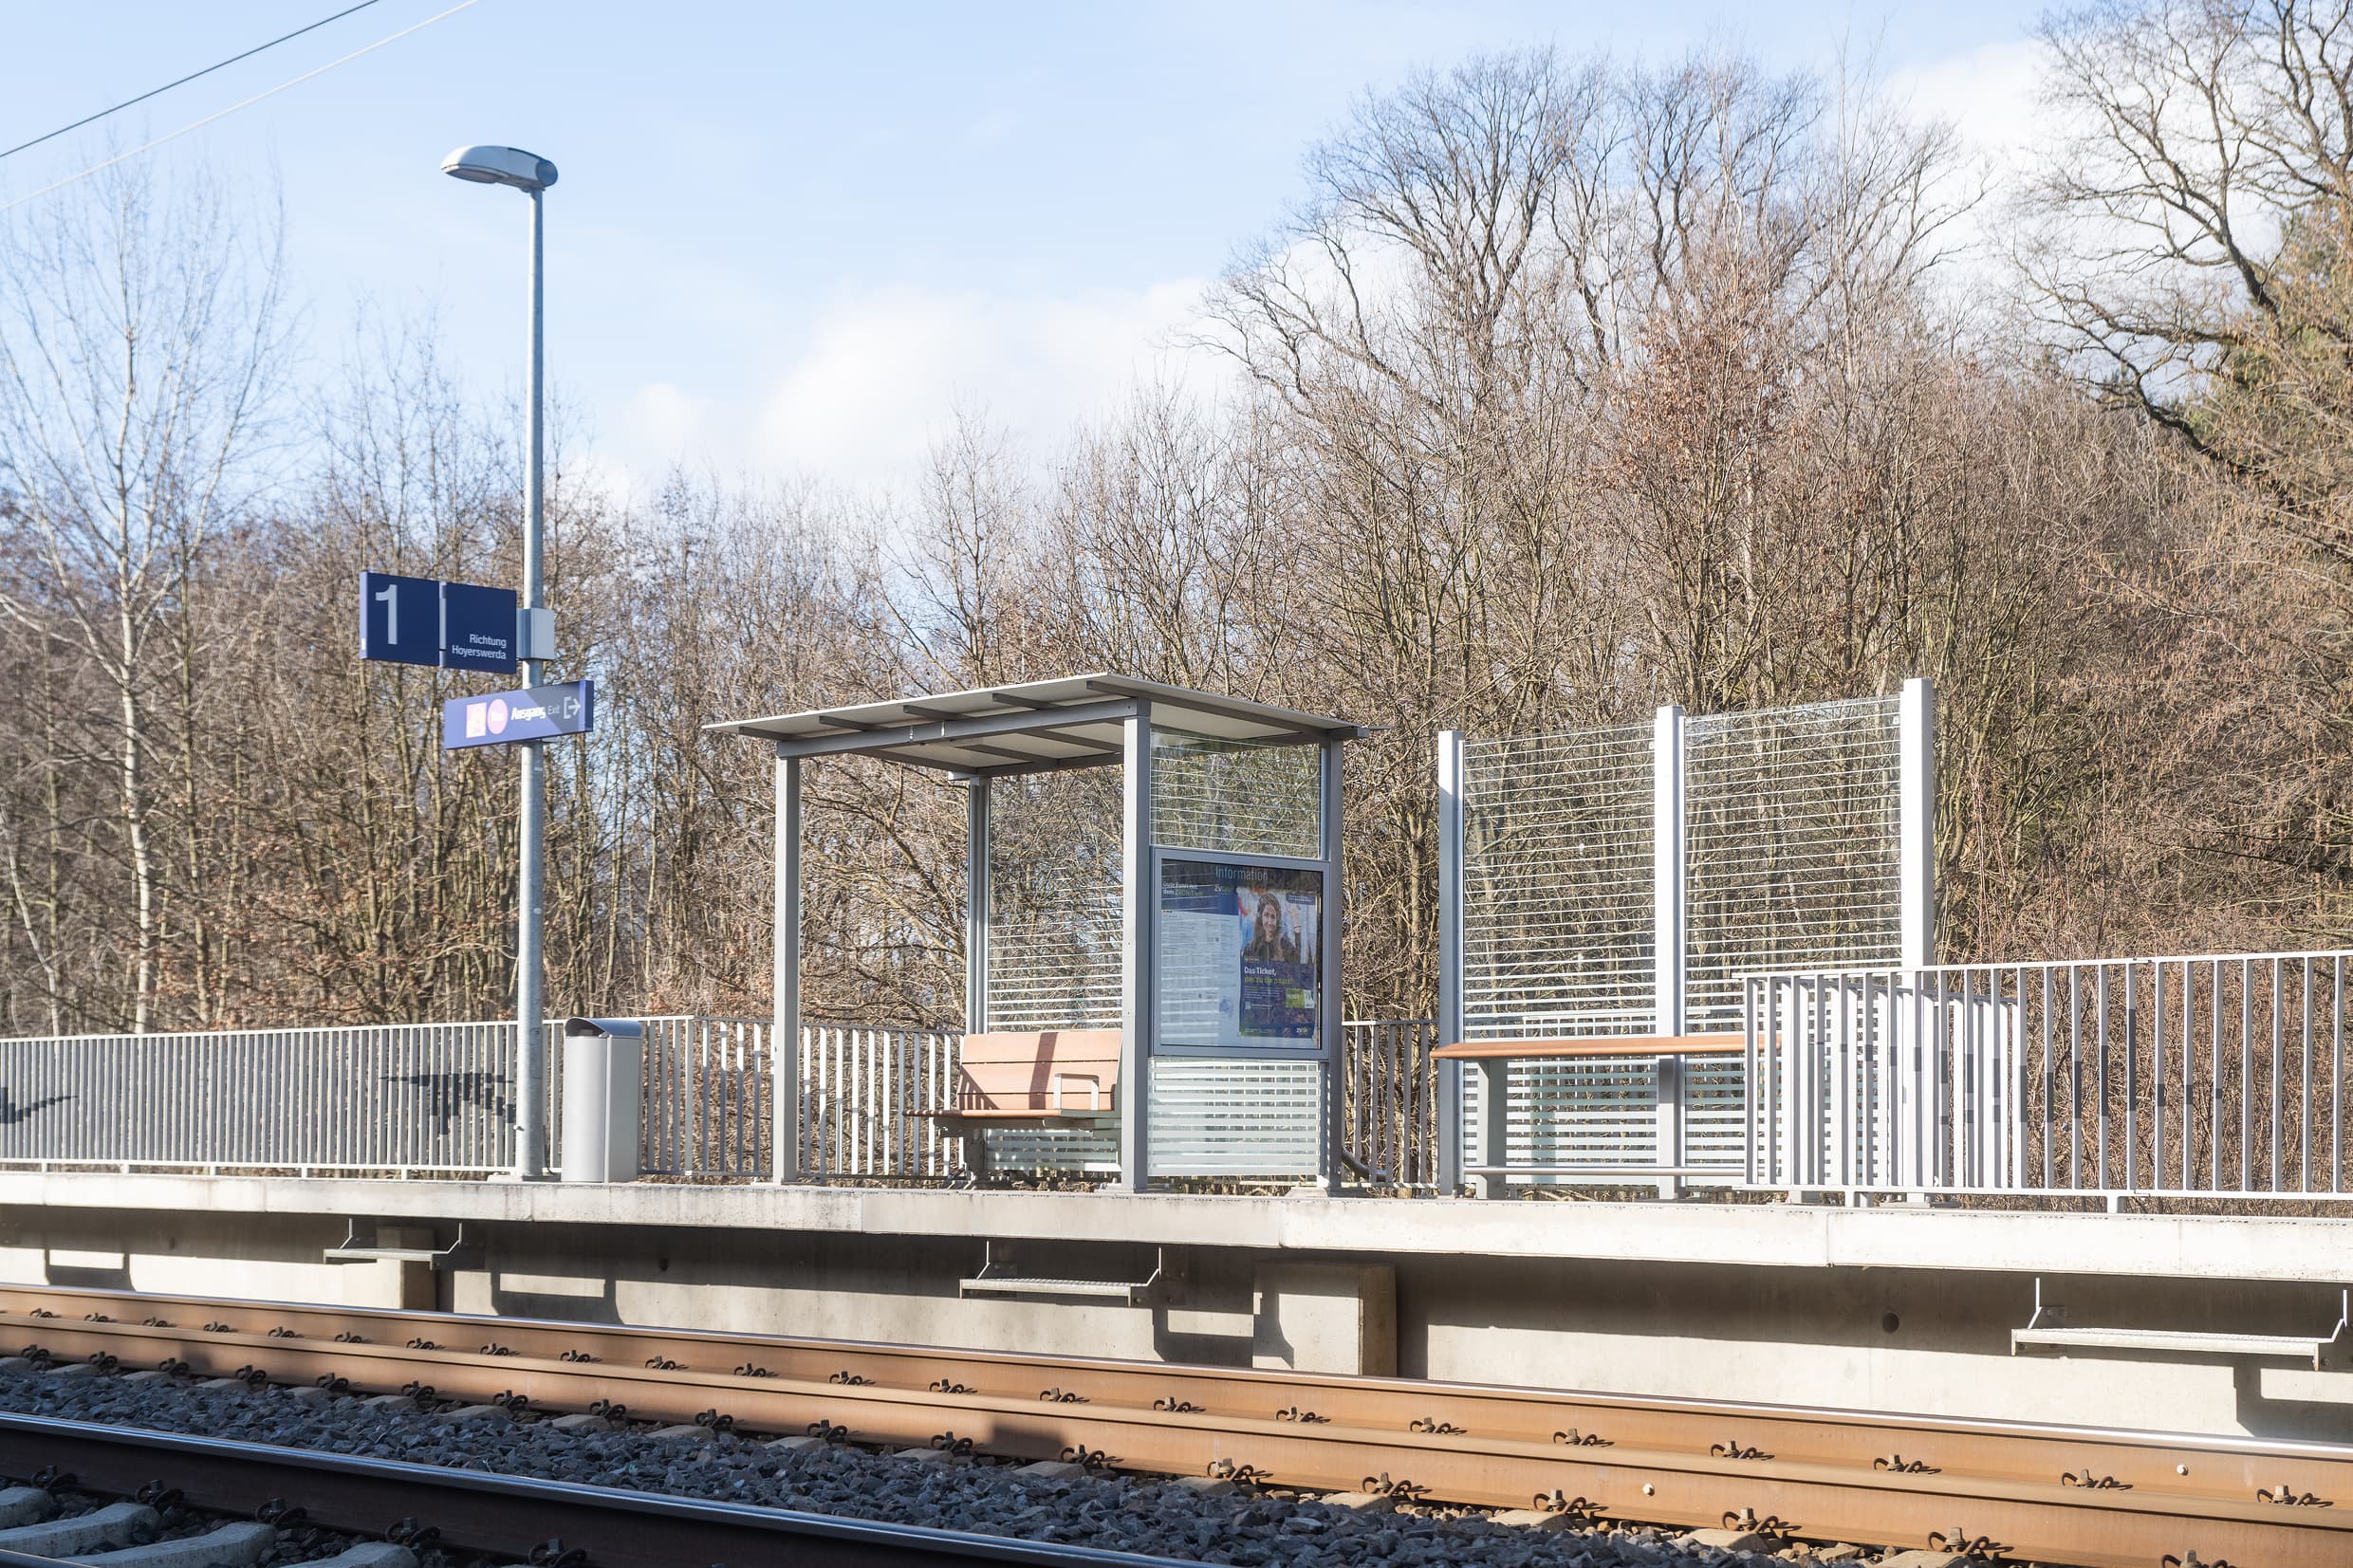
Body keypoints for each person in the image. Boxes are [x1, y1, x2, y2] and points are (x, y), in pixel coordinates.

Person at [1243, 891, 1299, 964]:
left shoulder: (1286, 947)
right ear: (1260, 917)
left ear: (1277, 919)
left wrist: (1297, 926)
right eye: (1266, 915)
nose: (1270, 922)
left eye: (1273, 917)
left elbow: (1298, 966)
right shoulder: (1249, 949)